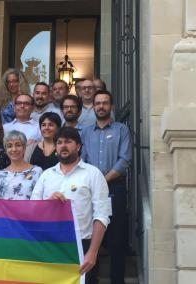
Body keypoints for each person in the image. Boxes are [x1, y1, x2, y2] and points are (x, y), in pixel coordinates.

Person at [31, 127, 112, 284]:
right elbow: (33, 210)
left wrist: (92, 253)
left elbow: (102, 216)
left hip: (81, 245)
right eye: (59, 142)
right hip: (50, 245)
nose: (63, 146)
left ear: (78, 146)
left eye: (68, 142)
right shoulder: (46, 175)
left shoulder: (93, 174)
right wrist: (48, 203)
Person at [81, 90, 132, 284]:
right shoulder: (85, 132)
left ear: (111, 106)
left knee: (117, 239)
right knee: (91, 236)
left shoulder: (122, 130)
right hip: (91, 191)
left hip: (115, 189)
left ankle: (117, 280)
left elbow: (124, 160)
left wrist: (102, 181)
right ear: (93, 106)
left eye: (105, 103)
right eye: (98, 103)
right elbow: (82, 160)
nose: (101, 106)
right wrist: (94, 183)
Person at [0, 130, 42, 200]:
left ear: (24, 148)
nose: (14, 149)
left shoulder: (37, 172)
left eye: (18, 145)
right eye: (9, 146)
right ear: (5, 150)